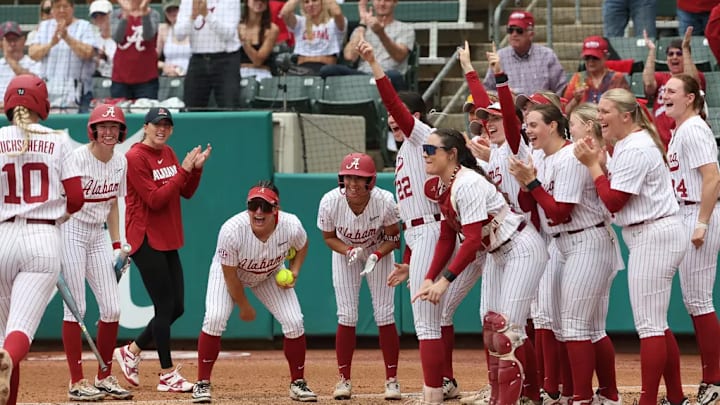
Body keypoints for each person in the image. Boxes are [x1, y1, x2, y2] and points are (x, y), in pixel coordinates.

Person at [357, 39, 484, 404]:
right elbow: (413, 216)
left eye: (401, 118)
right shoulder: (405, 154)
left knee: (427, 321)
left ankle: (433, 393)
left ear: (415, 118)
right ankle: (444, 383)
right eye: (393, 121)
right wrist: (410, 260)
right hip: (423, 232)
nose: (394, 122)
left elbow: (395, 105)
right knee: (436, 316)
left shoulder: (421, 140)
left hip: (435, 231)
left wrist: (373, 64)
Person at [412, 127, 547, 405]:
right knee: (492, 327)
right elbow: (447, 238)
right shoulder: (446, 186)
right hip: (499, 252)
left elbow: (472, 241)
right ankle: (516, 396)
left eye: (430, 150)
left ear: (451, 154)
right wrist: (428, 277)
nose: (424, 155)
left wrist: (444, 281)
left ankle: (527, 396)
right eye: (423, 150)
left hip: (520, 247)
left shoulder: (467, 183)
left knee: (508, 331)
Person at [573, 88, 688, 405]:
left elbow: (613, 200)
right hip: (652, 232)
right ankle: (675, 397)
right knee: (658, 325)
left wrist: (594, 167)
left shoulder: (636, 147)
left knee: (649, 326)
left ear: (626, 115)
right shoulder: (628, 144)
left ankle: (648, 400)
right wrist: (602, 165)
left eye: (606, 111)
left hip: (654, 234)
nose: (600, 118)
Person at [508, 101, 622, 405]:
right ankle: (587, 393)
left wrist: (530, 182)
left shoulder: (571, 156)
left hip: (587, 240)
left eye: (533, 124)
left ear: (553, 126)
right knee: (573, 326)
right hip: (562, 244)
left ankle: (583, 397)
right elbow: (530, 205)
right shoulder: (542, 157)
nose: (527, 130)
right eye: (526, 125)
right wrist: (526, 182)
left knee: (576, 326)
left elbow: (560, 212)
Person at [113, 107, 211, 393]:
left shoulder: (167, 153)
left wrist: (196, 170)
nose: (162, 129)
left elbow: (186, 191)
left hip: (167, 235)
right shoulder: (135, 156)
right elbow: (155, 200)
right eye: (157, 124)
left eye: (167, 125)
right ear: (145, 126)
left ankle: (131, 351)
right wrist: (184, 170)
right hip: (144, 237)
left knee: (176, 307)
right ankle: (167, 373)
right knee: (164, 306)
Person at [192, 181, 318, 403]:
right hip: (231, 274)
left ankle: (298, 382)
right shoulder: (231, 230)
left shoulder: (291, 225)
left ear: (276, 208)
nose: (259, 212)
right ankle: (202, 383)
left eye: (266, 206)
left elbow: (303, 245)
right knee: (214, 318)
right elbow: (230, 276)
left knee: (294, 321)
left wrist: (295, 271)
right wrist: (244, 305)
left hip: (269, 273)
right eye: (253, 205)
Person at [0, 74, 84, 405]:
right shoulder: (59, 140)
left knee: (3, 339)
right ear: (42, 104)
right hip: (42, 237)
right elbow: (76, 198)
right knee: (16, 337)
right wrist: (59, 215)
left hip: (2, 236)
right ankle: (7, 358)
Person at [60, 104, 132, 401]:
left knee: (113, 308)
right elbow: (61, 200)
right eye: (103, 127)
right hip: (72, 230)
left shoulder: (121, 162)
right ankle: (76, 381)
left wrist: (117, 244)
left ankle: (104, 377)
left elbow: (114, 203)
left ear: (120, 132)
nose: (109, 132)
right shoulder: (76, 158)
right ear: (92, 129)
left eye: (114, 127)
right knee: (76, 308)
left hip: (99, 234)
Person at [317, 153, 402, 400]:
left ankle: (392, 380)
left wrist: (376, 254)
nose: (352, 183)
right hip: (346, 254)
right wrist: (348, 250)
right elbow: (328, 237)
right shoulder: (330, 201)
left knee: (385, 313)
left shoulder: (385, 200)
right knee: (347, 314)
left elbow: (394, 237)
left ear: (370, 181)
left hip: (379, 252)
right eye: (348, 177)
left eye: (359, 178)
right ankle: (344, 379)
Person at [663, 74, 720, 405]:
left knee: (699, 301)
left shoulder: (694, 128)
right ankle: (711, 380)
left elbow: (712, 178)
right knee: (694, 301)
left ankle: (713, 382)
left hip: (699, 213)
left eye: (672, 91)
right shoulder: (683, 129)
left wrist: (701, 222)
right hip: (687, 212)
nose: (665, 95)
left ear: (690, 98)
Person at [566, 102, 622, 405]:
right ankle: (608, 394)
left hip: (593, 238)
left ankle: (585, 396)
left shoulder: (596, 154)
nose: (569, 129)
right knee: (594, 327)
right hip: (597, 239)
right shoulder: (596, 153)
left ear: (589, 126)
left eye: (573, 123)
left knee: (580, 326)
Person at [321, 0, 415, 91]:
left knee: (395, 76)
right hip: (362, 76)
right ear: (373, 2)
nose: (382, 4)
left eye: (387, 0)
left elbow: (399, 56)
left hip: (388, 76)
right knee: (328, 70)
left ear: (395, 2)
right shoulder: (362, 28)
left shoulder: (405, 28)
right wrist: (363, 23)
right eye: (378, 0)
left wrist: (381, 33)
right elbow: (349, 56)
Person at [27, 0, 97, 113]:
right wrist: (51, 43)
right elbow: (32, 53)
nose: (61, 10)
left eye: (65, 6)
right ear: (52, 9)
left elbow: (88, 53)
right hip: (48, 89)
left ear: (72, 8)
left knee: (73, 127)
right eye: (58, 6)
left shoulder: (84, 26)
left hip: (76, 91)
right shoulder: (45, 26)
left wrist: (67, 37)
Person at [642, 27, 706, 149]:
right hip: (661, 142)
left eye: (679, 53)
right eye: (670, 54)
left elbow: (693, 83)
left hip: (687, 137)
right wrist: (652, 50)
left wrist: (686, 48)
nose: (674, 57)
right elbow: (649, 84)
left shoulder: (697, 76)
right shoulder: (661, 78)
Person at [174, 0, 241, 110]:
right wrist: (192, 17)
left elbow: (228, 33)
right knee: (192, 108)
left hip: (226, 59)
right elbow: (179, 34)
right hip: (198, 59)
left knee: (229, 108)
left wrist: (206, 14)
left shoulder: (231, 1)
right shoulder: (188, 1)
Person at [482, 11, 566, 97]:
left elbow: (561, 90)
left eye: (519, 31)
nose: (514, 34)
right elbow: (487, 90)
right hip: (509, 108)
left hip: (539, 108)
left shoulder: (547, 56)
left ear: (531, 34)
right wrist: (503, 95)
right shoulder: (500, 57)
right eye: (510, 30)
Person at [563, 36, 630, 114]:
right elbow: (565, 113)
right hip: (583, 123)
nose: (591, 61)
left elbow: (626, 109)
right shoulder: (578, 78)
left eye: (595, 57)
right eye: (587, 58)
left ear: (606, 57)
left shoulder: (616, 78)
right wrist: (576, 100)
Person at [279, 0, 346, 76]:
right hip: (302, 69)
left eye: (314, 0)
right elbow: (285, 12)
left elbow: (337, 12)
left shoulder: (333, 22)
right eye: (306, 2)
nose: (310, 4)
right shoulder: (300, 22)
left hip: (326, 70)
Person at [110, 0, 161, 100]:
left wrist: (144, 15)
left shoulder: (154, 14)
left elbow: (148, 36)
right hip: (121, 78)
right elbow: (117, 38)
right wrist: (125, 16)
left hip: (146, 78)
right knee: (119, 112)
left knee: (145, 112)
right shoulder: (116, 14)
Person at [238, 0, 279, 80]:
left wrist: (244, 42)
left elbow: (258, 61)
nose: (259, 2)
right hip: (238, 73)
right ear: (247, 2)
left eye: (263, 1)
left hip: (262, 74)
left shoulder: (272, 29)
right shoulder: (236, 26)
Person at [0, 22, 40, 103]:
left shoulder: (34, 64)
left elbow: (35, 84)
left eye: (15, 39)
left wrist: (10, 60)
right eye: (8, 40)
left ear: (23, 40)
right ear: (1, 43)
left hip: (24, 109)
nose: (12, 44)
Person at [157, 0, 191, 77]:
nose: (172, 13)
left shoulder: (194, 27)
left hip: (192, 78)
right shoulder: (162, 29)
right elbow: (151, 59)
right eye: (169, 10)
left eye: (175, 9)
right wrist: (164, 66)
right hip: (168, 77)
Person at [88, 0, 116, 79]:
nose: (99, 19)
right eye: (95, 16)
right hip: (96, 83)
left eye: (102, 15)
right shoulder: (91, 40)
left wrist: (105, 57)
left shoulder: (120, 38)